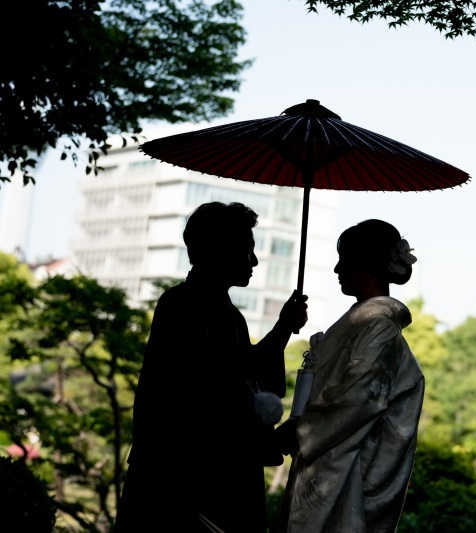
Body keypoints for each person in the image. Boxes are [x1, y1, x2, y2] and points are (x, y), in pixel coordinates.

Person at [114, 201, 308, 533]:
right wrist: (283, 328)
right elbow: (216, 389)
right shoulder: (182, 306)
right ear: (220, 250)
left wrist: (284, 326)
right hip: (186, 479)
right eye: (246, 250)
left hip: (203, 475)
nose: (254, 260)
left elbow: (246, 377)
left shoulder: (222, 313)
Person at [274, 219, 425, 533]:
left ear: (370, 264)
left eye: (345, 259)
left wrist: (300, 430)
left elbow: (357, 399)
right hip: (329, 463)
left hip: (345, 473)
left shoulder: (379, 327)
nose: (337, 269)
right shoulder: (368, 324)